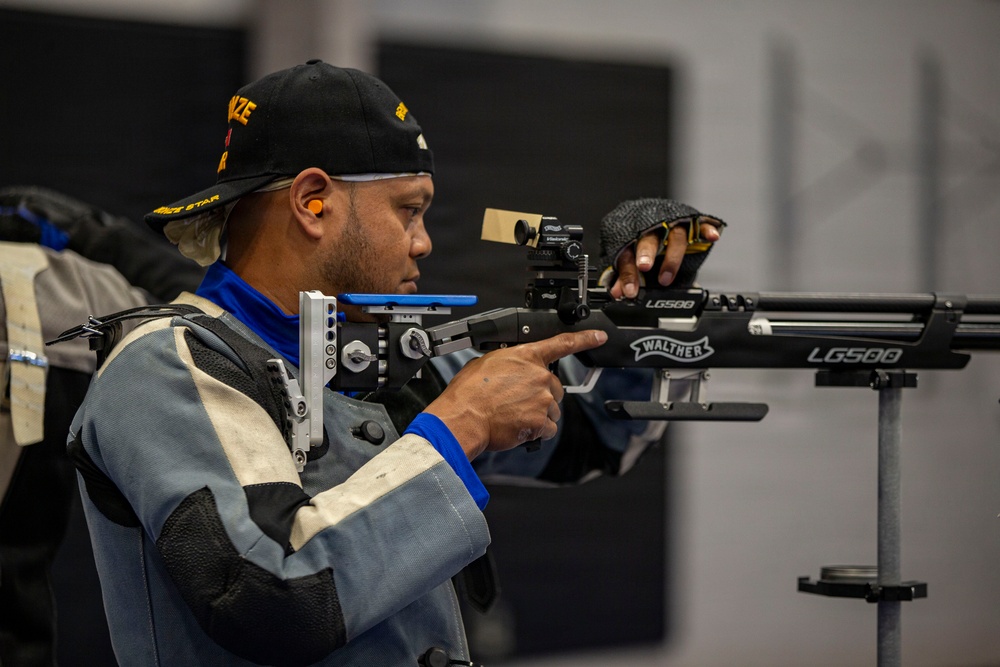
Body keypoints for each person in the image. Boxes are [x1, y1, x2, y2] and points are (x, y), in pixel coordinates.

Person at [67, 60, 722, 666]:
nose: (426, 241)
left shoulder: (373, 367)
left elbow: (595, 434)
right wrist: (461, 424)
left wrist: (650, 310)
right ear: (311, 201)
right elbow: (271, 593)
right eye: (409, 209)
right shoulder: (163, 365)